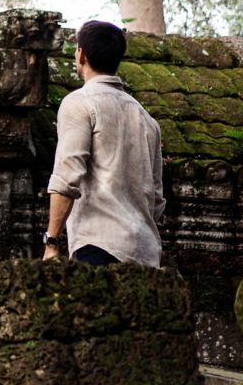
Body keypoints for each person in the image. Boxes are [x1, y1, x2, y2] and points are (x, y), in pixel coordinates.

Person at [43, 20, 165, 266]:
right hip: (145, 251)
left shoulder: (80, 103)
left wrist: (52, 242)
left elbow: (67, 177)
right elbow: (157, 199)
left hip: (99, 244)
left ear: (81, 54)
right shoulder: (146, 118)